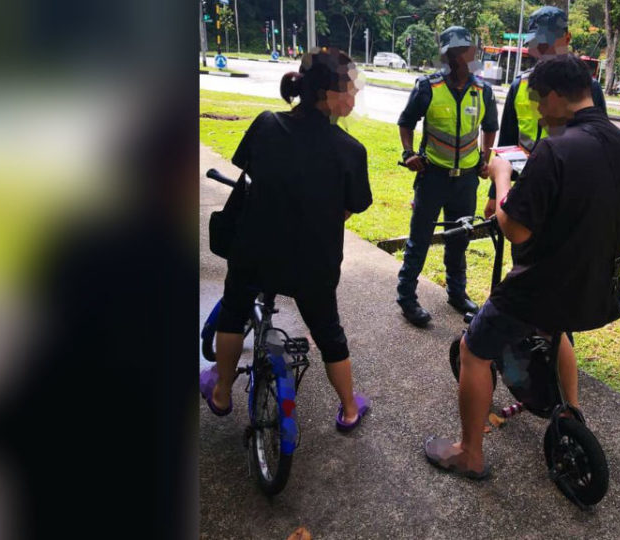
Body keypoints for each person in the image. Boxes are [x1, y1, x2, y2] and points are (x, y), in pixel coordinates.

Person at [423, 55, 620, 478]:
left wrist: (502, 175)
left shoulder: (555, 148)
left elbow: (516, 229)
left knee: (474, 349)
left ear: (560, 97)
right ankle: (571, 414)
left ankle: (469, 453)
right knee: (555, 329)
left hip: (543, 286)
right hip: (599, 287)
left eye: (541, 100)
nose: (539, 110)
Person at [200, 48, 374, 432]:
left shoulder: (266, 124)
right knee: (329, 333)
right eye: (352, 88)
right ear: (328, 94)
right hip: (313, 264)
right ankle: (348, 409)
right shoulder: (350, 151)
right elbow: (351, 208)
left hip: (254, 251)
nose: (355, 96)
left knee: (233, 310)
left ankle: (222, 394)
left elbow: (250, 171)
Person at [395, 26, 499, 327]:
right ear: (447, 55)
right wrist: (408, 153)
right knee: (420, 239)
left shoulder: (483, 91)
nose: (464, 57)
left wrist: (485, 157)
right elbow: (406, 122)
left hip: (466, 180)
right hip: (433, 176)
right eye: (456, 52)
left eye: (467, 51)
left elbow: (490, 126)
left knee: (459, 239)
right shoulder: (428, 87)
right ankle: (407, 297)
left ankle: (456, 293)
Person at [484, 5, 608, 218]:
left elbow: (600, 142)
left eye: (548, 43)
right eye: (536, 43)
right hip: (527, 187)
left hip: (569, 188)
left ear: (567, 39)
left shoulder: (588, 88)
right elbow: (507, 141)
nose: (541, 49)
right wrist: (495, 194)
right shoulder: (519, 86)